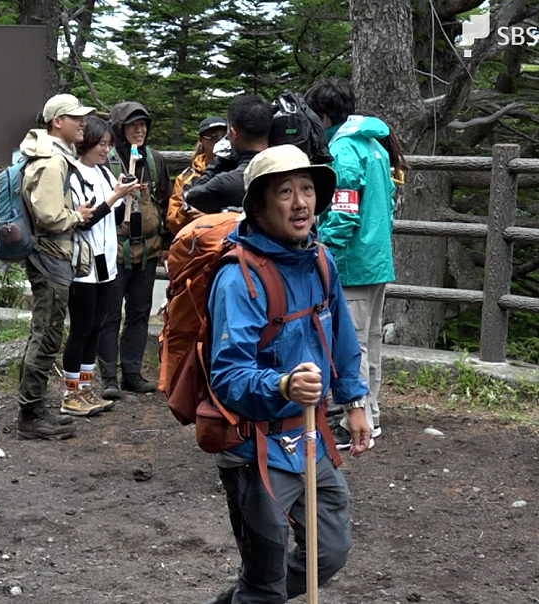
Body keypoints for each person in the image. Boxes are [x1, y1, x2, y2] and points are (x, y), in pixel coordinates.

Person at [203, 144, 371, 604]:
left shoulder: (320, 261)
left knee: (330, 550)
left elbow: (342, 340)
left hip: (310, 436)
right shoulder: (239, 279)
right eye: (285, 192)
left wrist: (355, 402)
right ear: (258, 206)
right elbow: (228, 376)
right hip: (255, 445)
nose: (300, 203)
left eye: (307, 189)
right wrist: (281, 384)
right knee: (266, 573)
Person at [305, 78, 396, 448]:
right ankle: (370, 412)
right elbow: (388, 200)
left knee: (352, 342)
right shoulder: (374, 143)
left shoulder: (342, 149)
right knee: (370, 339)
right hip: (377, 257)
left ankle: (355, 419)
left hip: (353, 262)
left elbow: (342, 213)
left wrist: (324, 253)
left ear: (324, 114)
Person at [15, 93, 96, 440]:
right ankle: (31, 415)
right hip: (51, 256)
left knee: (43, 332)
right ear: (55, 122)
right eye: (74, 117)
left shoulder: (48, 155)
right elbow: (49, 216)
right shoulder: (52, 161)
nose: (82, 123)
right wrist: (77, 215)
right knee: (47, 335)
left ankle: (32, 407)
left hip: (47, 255)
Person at [61, 116, 140, 416]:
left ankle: (85, 388)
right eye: (101, 144)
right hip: (83, 265)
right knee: (80, 328)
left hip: (107, 262)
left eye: (109, 144)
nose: (106, 150)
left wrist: (124, 196)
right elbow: (84, 221)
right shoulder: (73, 175)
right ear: (87, 143)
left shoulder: (106, 175)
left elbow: (114, 218)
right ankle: (70, 395)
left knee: (97, 326)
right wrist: (114, 198)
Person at [97, 101, 173, 399]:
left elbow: (167, 202)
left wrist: (166, 243)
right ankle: (108, 378)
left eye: (143, 124)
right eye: (132, 125)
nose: (139, 130)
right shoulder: (105, 162)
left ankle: (132, 372)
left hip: (148, 251)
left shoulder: (154, 161)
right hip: (114, 252)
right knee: (110, 314)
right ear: (119, 129)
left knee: (140, 313)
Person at [186, 96, 273, 214]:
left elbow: (194, 197)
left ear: (233, 134)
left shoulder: (225, 183)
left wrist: (219, 161)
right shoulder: (289, 166)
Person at [166, 116, 227, 233]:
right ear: (201, 140)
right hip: (196, 239)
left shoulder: (237, 171)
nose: (219, 140)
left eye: (224, 136)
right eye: (212, 136)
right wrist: (186, 210)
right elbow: (172, 222)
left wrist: (211, 218)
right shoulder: (185, 178)